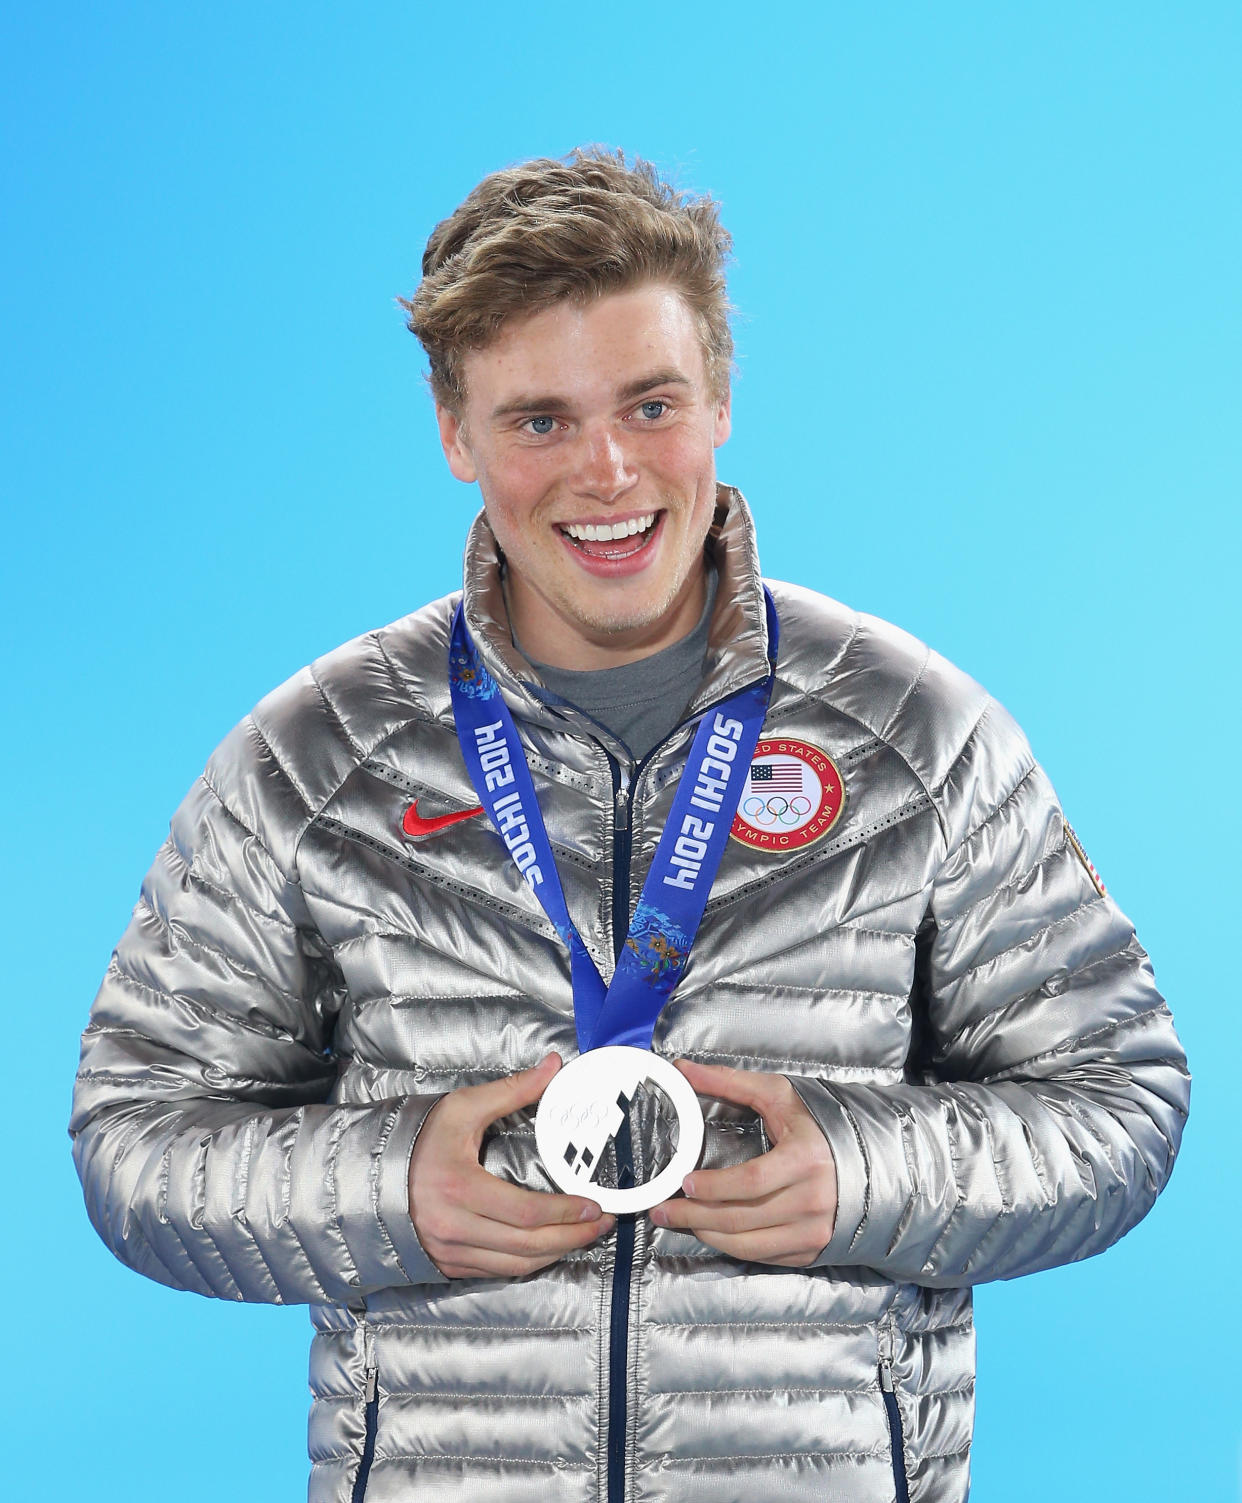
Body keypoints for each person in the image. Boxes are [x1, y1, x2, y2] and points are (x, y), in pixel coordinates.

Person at [71, 148, 1189, 1503]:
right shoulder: (319, 757)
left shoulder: (917, 734)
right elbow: (135, 1138)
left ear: (718, 400)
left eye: (649, 403)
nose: (604, 472)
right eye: (537, 419)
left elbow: (1119, 1106)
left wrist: (863, 1169)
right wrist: (383, 1189)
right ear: (454, 434)